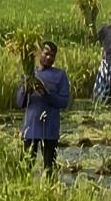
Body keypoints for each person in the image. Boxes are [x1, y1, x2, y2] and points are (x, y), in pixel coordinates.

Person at [15, 41, 71, 177]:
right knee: (26, 166)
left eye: (52, 56)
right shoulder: (29, 73)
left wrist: (46, 93)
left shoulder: (60, 75)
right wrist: (25, 90)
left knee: (49, 167)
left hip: (50, 128)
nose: (49, 58)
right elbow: (19, 103)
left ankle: (49, 191)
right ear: (39, 53)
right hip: (31, 126)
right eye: (46, 54)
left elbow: (63, 102)